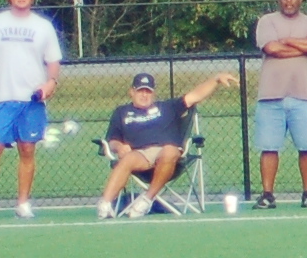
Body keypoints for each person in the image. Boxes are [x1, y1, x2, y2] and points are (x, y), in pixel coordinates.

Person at [0, 0, 63, 222]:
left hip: (31, 101)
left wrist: (51, 83)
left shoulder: (43, 26)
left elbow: (53, 62)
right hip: (1, 99)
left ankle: (23, 203)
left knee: (27, 149)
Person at [98, 69, 236, 218]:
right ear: (132, 92)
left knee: (170, 150)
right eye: (140, 91)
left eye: (148, 91)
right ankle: (105, 205)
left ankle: (146, 200)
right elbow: (112, 140)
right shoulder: (121, 112)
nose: (144, 95)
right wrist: (119, 147)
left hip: (167, 153)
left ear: (153, 93)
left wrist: (216, 79)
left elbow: (195, 96)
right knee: (127, 159)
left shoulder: (167, 107)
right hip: (139, 155)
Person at [251, 0, 307, 209]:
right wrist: (302, 47)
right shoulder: (267, 21)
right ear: (279, 0)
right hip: (271, 96)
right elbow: (271, 49)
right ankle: (267, 195)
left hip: (303, 95)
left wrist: (287, 41)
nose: (289, 1)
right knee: (269, 148)